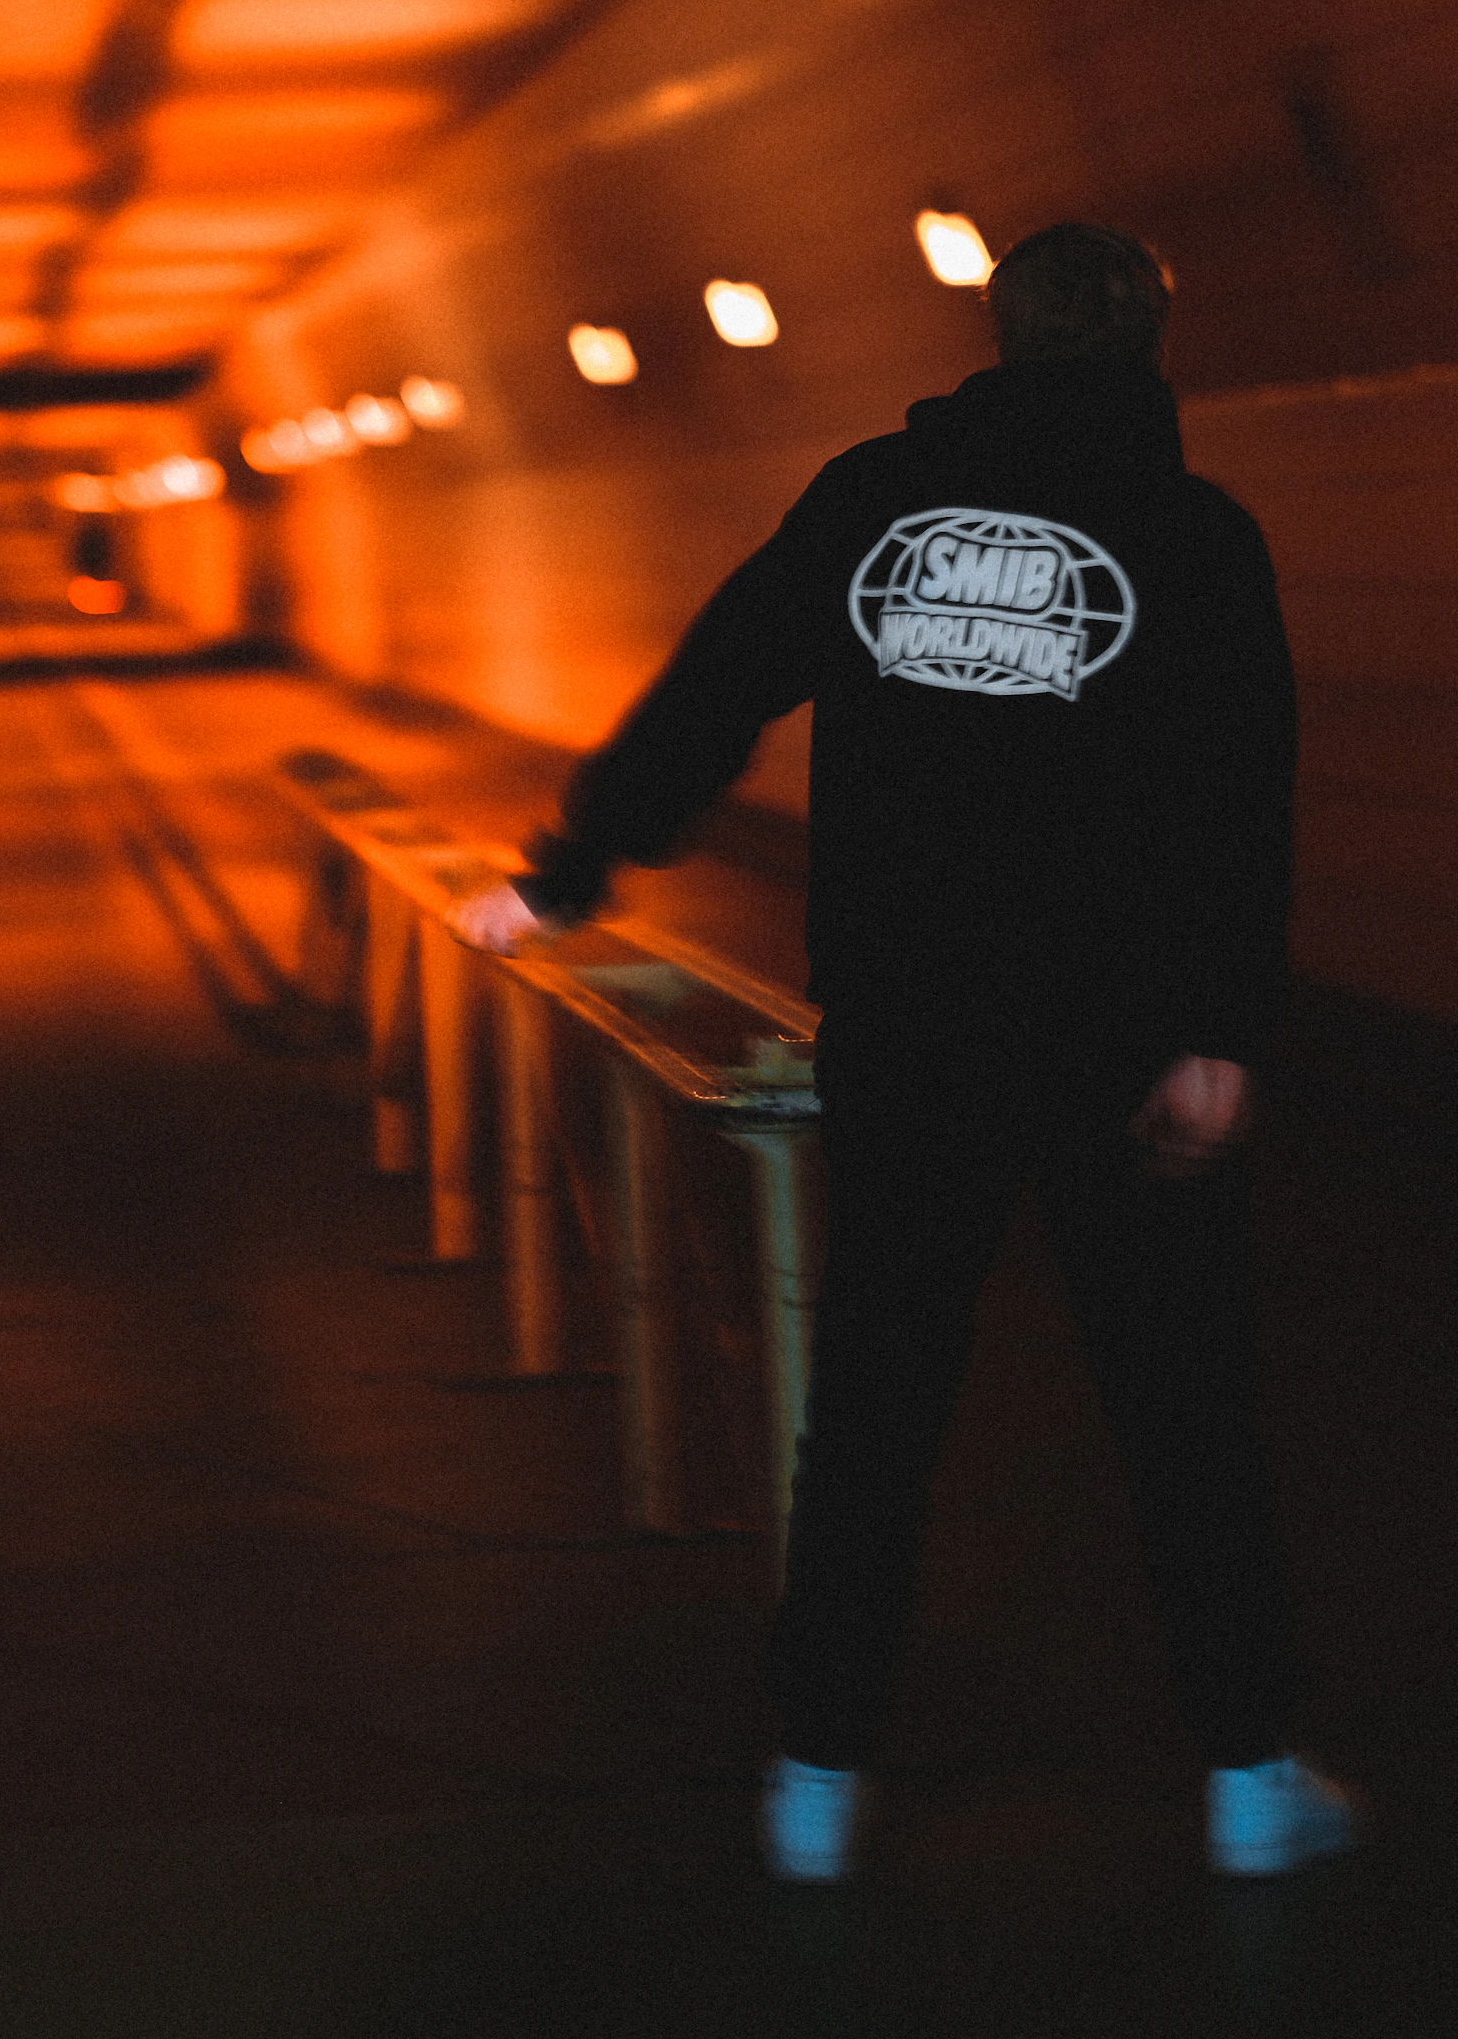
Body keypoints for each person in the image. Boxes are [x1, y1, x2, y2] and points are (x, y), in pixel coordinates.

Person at [453, 223, 1360, 1882]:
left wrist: (565, 868)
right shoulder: (1196, 534)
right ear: (1157, 338)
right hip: (1124, 1044)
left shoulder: (875, 499)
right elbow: (1246, 796)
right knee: (1183, 1412)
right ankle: (1247, 1773)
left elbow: (716, 684)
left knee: (873, 1406)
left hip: (913, 1025)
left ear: (998, 339)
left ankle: (815, 1773)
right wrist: (1223, 1034)